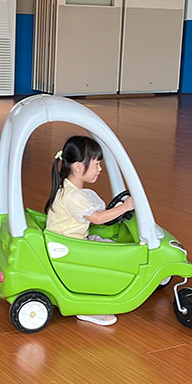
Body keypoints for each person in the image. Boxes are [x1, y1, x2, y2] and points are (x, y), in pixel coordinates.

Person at [45, 135, 135, 327]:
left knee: (110, 246)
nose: (100, 169)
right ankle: (89, 306)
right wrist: (126, 207)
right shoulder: (72, 196)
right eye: (96, 164)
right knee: (108, 258)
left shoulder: (68, 188)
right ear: (79, 167)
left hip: (72, 240)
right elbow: (97, 218)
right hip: (69, 247)